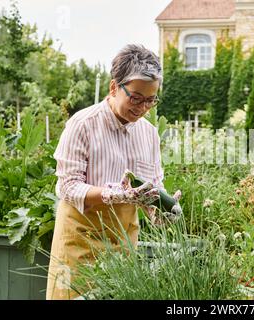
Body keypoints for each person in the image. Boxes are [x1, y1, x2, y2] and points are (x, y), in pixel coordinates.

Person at [46, 44, 182, 300]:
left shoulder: (148, 134)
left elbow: (151, 187)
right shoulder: (82, 125)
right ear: (114, 87)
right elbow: (68, 187)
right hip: (80, 238)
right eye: (136, 98)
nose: (143, 107)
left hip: (123, 241)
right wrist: (114, 194)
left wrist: (160, 211)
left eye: (151, 100)